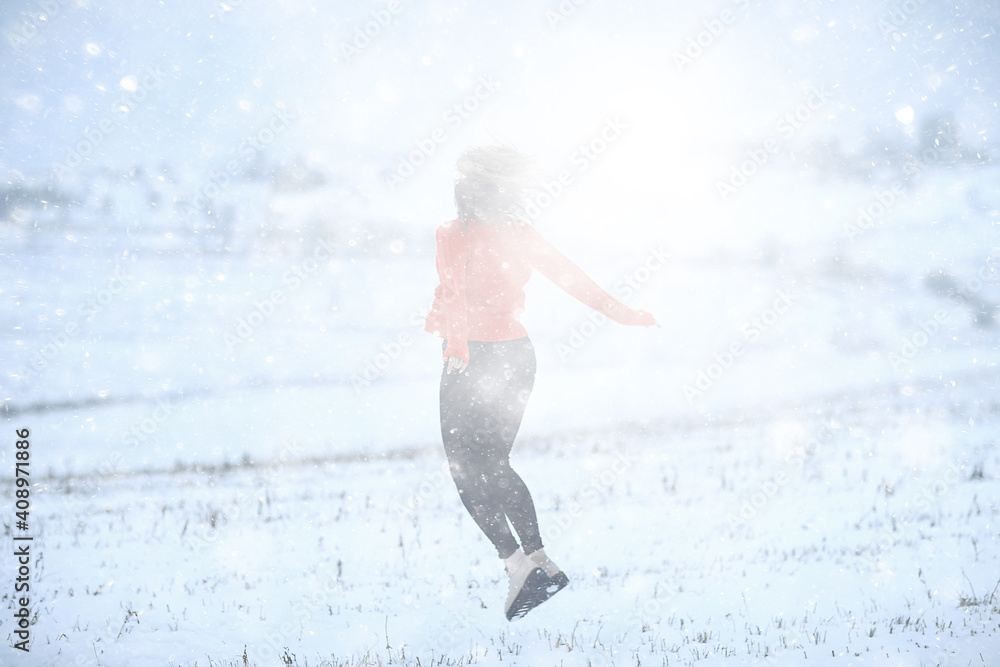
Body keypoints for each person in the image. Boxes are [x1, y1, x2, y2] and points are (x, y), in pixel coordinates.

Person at [424, 145, 657, 620]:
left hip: (472, 355)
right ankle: (541, 562)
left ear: (465, 189)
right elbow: (574, 279)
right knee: (494, 460)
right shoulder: (519, 235)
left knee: (464, 467)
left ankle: (515, 565)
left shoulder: (453, 233)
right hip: (517, 354)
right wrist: (625, 315)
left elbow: (453, 293)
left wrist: (457, 349)